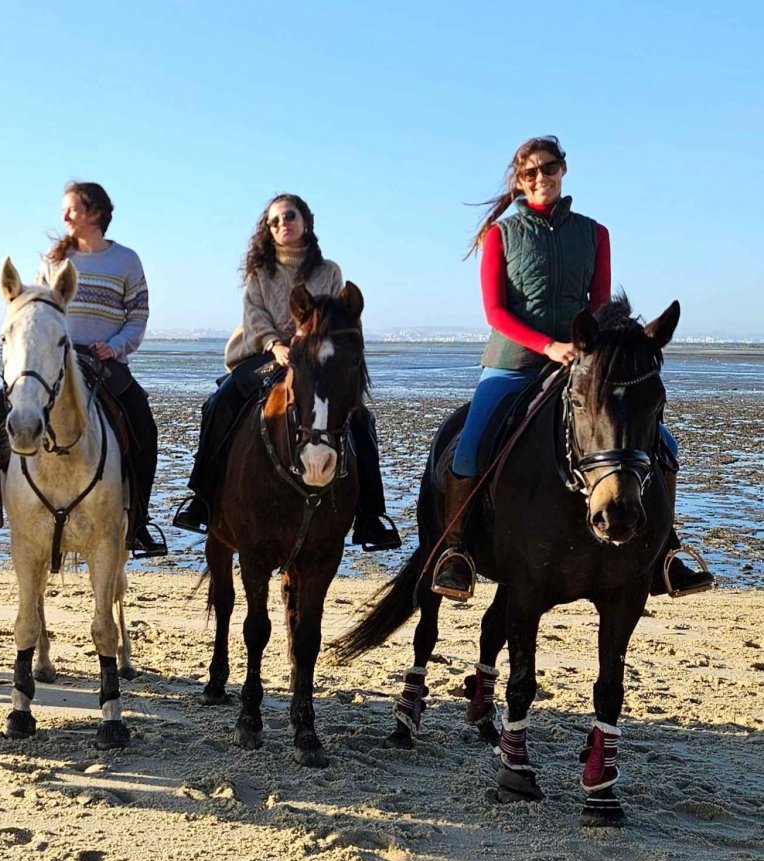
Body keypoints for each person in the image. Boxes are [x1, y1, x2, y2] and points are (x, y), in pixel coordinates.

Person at [431, 136, 712, 600]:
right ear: (519, 182)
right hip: (514, 361)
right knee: (471, 445)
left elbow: (600, 306)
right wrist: (547, 345)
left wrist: (591, 350)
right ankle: (457, 552)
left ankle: (666, 552)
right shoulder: (501, 234)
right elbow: (496, 312)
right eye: (530, 173)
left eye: (549, 168)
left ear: (563, 170)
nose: (541, 178)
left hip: (585, 362)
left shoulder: (594, 233)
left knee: (664, 443)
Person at [0, 181, 167, 558]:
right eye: (64, 209)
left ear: (96, 213)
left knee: (142, 422)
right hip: (56, 359)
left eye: (72, 209)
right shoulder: (53, 260)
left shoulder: (127, 260)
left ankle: (141, 520)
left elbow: (138, 315)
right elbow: (37, 312)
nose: (64, 216)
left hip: (105, 361)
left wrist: (114, 347)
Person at [171, 194, 401, 550]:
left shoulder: (329, 271)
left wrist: (306, 350)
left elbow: (338, 319)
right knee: (220, 403)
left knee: (360, 420)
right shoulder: (260, 274)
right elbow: (254, 318)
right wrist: (274, 345)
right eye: (274, 221)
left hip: (311, 362)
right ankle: (202, 497)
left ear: (305, 221)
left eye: (289, 216)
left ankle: (371, 516)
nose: (282, 225)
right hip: (263, 354)